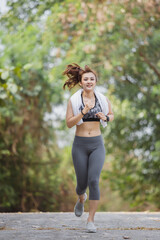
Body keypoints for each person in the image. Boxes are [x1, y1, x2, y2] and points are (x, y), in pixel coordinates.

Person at [62, 63, 114, 233]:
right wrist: (83, 112)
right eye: (86, 79)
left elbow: (111, 115)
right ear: (81, 82)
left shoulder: (103, 99)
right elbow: (69, 123)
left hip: (97, 144)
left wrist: (105, 116)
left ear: (95, 81)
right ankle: (81, 198)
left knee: (93, 180)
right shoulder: (74, 100)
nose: (89, 81)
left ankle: (90, 220)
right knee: (81, 184)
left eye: (92, 79)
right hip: (80, 145)